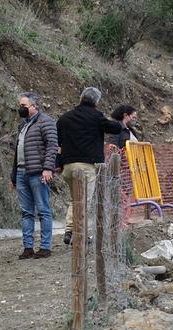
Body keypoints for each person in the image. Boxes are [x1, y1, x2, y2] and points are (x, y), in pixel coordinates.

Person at [57, 86, 124, 246]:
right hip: (86, 166)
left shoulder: (65, 118)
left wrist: (57, 163)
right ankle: (81, 235)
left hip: (67, 166)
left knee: (75, 199)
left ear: (81, 98)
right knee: (84, 202)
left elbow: (57, 141)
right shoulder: (96, 117)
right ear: (97, 102)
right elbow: (116, 128)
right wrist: (112, 119)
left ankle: (69, 231)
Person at [10, 92, 58, 259]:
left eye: (23, 106)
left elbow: (52, 146)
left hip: (38, 173)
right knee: (26, 212)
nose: (20, 109)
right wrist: (13, 175)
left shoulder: (46, 122)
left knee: (43, 210)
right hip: (22, 172)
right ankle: (28, 247)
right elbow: (17, 152)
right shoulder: (22, 126)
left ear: (34, 106)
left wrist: (47, 168)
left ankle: (45, 246)